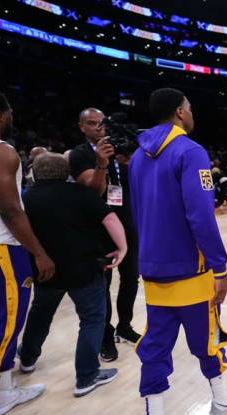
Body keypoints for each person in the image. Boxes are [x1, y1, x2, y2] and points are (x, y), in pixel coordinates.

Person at [129, 88, 227, 415]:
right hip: (190, 268)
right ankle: (222, 400)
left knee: (155, 347)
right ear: (181, 111)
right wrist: (220, 267)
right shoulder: (190, 151)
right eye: (191, 107)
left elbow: (137, 214)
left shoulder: (137, 157)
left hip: (152, 267)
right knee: (207, 339)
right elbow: (200, 215)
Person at [19, 153, 125, 396]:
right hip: (83, 269)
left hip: (46, 270)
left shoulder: (26, 198)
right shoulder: (80, 193)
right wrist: (123, 247)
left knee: (40, 313)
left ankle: (27, 359)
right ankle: (86, 377)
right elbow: (109, 218)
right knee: (91, 319)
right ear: (66, 171)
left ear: (35, 172)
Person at [0, 88, 52, 415]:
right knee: (2, 326)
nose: (11, 118)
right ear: (0, 114)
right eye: (8, 112)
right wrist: (38, 252)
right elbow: (10, 209)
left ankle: (4, 392)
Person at [69, 108, 141, 362]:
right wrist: (102, 163)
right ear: (82, 127)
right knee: (104, 285)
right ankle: (106, 334)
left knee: (131, 278)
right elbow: (93, 191)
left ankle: (125, 325)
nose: (99, 127)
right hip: (99, 229)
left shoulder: (120, 148)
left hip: (129, 224)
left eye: (102, 122)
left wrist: (132, 162)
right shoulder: (79, 155)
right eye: (91, 123)